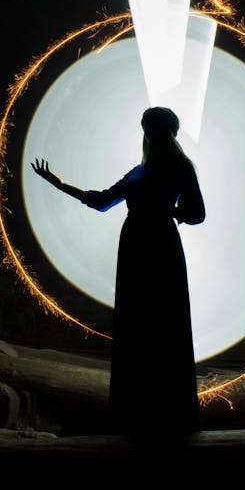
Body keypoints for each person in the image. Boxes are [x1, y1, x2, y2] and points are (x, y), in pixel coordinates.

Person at [31, 106, 205, 439]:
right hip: (137, 247)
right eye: (146, 125)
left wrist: (167, 211)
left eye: (152, 125)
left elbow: (197, 212)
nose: (148, 131)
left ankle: (167, 415)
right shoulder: (138, 171)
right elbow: (101, 201)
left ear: (164, 130)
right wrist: (58, 183)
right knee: (135, 324)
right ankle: (133, 411)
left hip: (159, 246)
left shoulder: (179, 167)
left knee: (163, 322)